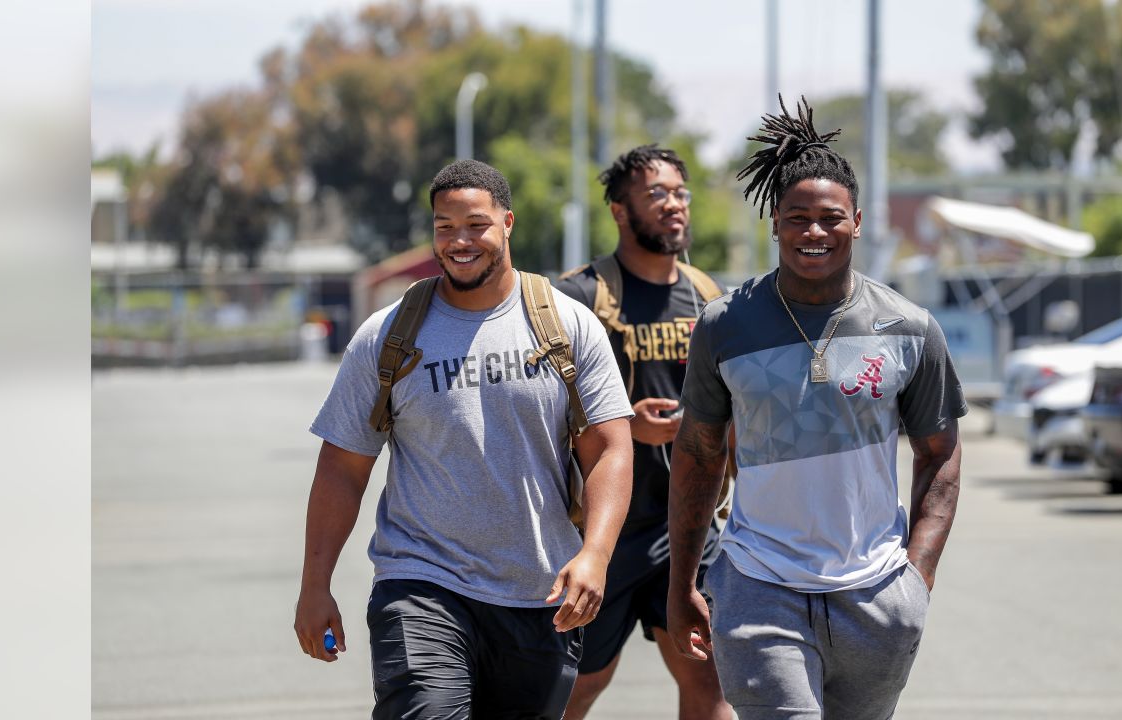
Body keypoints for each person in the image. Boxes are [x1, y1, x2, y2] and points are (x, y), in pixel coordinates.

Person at [293, 159, 635, 719]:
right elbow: (342, 468)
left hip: (539, 594)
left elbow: (609, 448)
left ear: (507, 223)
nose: (459, 241)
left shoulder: (568, 326)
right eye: (444, 227)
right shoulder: (386, 337)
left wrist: (595, 555)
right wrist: (315, 584)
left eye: (475, 224)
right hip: (421, 583)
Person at [665, 96, 966, 719]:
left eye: (830, 217)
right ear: (774, 223)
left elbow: (939, 455)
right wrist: (683, 583)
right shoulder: (725, 326)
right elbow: (696, 456)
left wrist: (918, 577)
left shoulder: (908, 327)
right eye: (796, 217)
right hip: (757, 585)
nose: (814, 232)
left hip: (878, 595)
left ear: (856, 221)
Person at [556, 145, 731, 719]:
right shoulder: (577, 298)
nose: (674, 205)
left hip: (687, 525)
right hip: (601, 535)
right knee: (574, 691)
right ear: (619, 211)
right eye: (656, 194)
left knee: (710, 684)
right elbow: (535, 409)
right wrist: (626, 426)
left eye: (680, 193)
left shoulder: (709, 299)